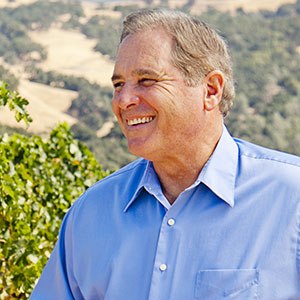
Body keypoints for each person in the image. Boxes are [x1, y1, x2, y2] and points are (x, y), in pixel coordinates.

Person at [30, 9, 300, 300]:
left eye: (146, 80)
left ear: (211, 90)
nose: (124, 100)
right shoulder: (89, 215)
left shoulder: (292, 199)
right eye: (119, 84)